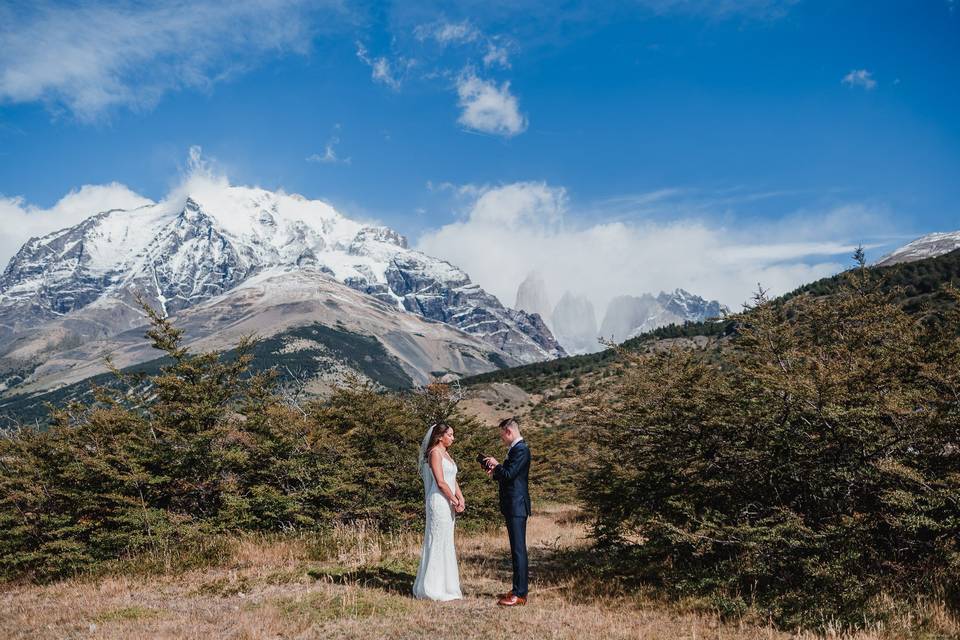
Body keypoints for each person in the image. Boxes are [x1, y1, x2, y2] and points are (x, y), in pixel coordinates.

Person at [412, 423, 464, 601]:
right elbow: (441, 481)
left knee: (446, 541)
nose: (452, 438)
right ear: (440, 436)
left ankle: (447, 585)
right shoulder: (434, 453)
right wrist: (453, 499)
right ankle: (431, 587)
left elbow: (452, 479)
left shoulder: (447, 454)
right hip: (439, 501)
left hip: (448, 500)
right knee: (436, 540)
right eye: (450, 434)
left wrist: (460, 497)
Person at [483, 416, 531, 607]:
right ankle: (517, 588)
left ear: (508, 432)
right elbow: (508, 475)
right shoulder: (516, 450)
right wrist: (495, 471)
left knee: (519, 550)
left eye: (502, 435)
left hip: (517, 505)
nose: (501, 439)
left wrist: (497, 465)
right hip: (513, 505)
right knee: (516, 549)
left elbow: (510, 474)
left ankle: (520, 593)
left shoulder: (521, 450)